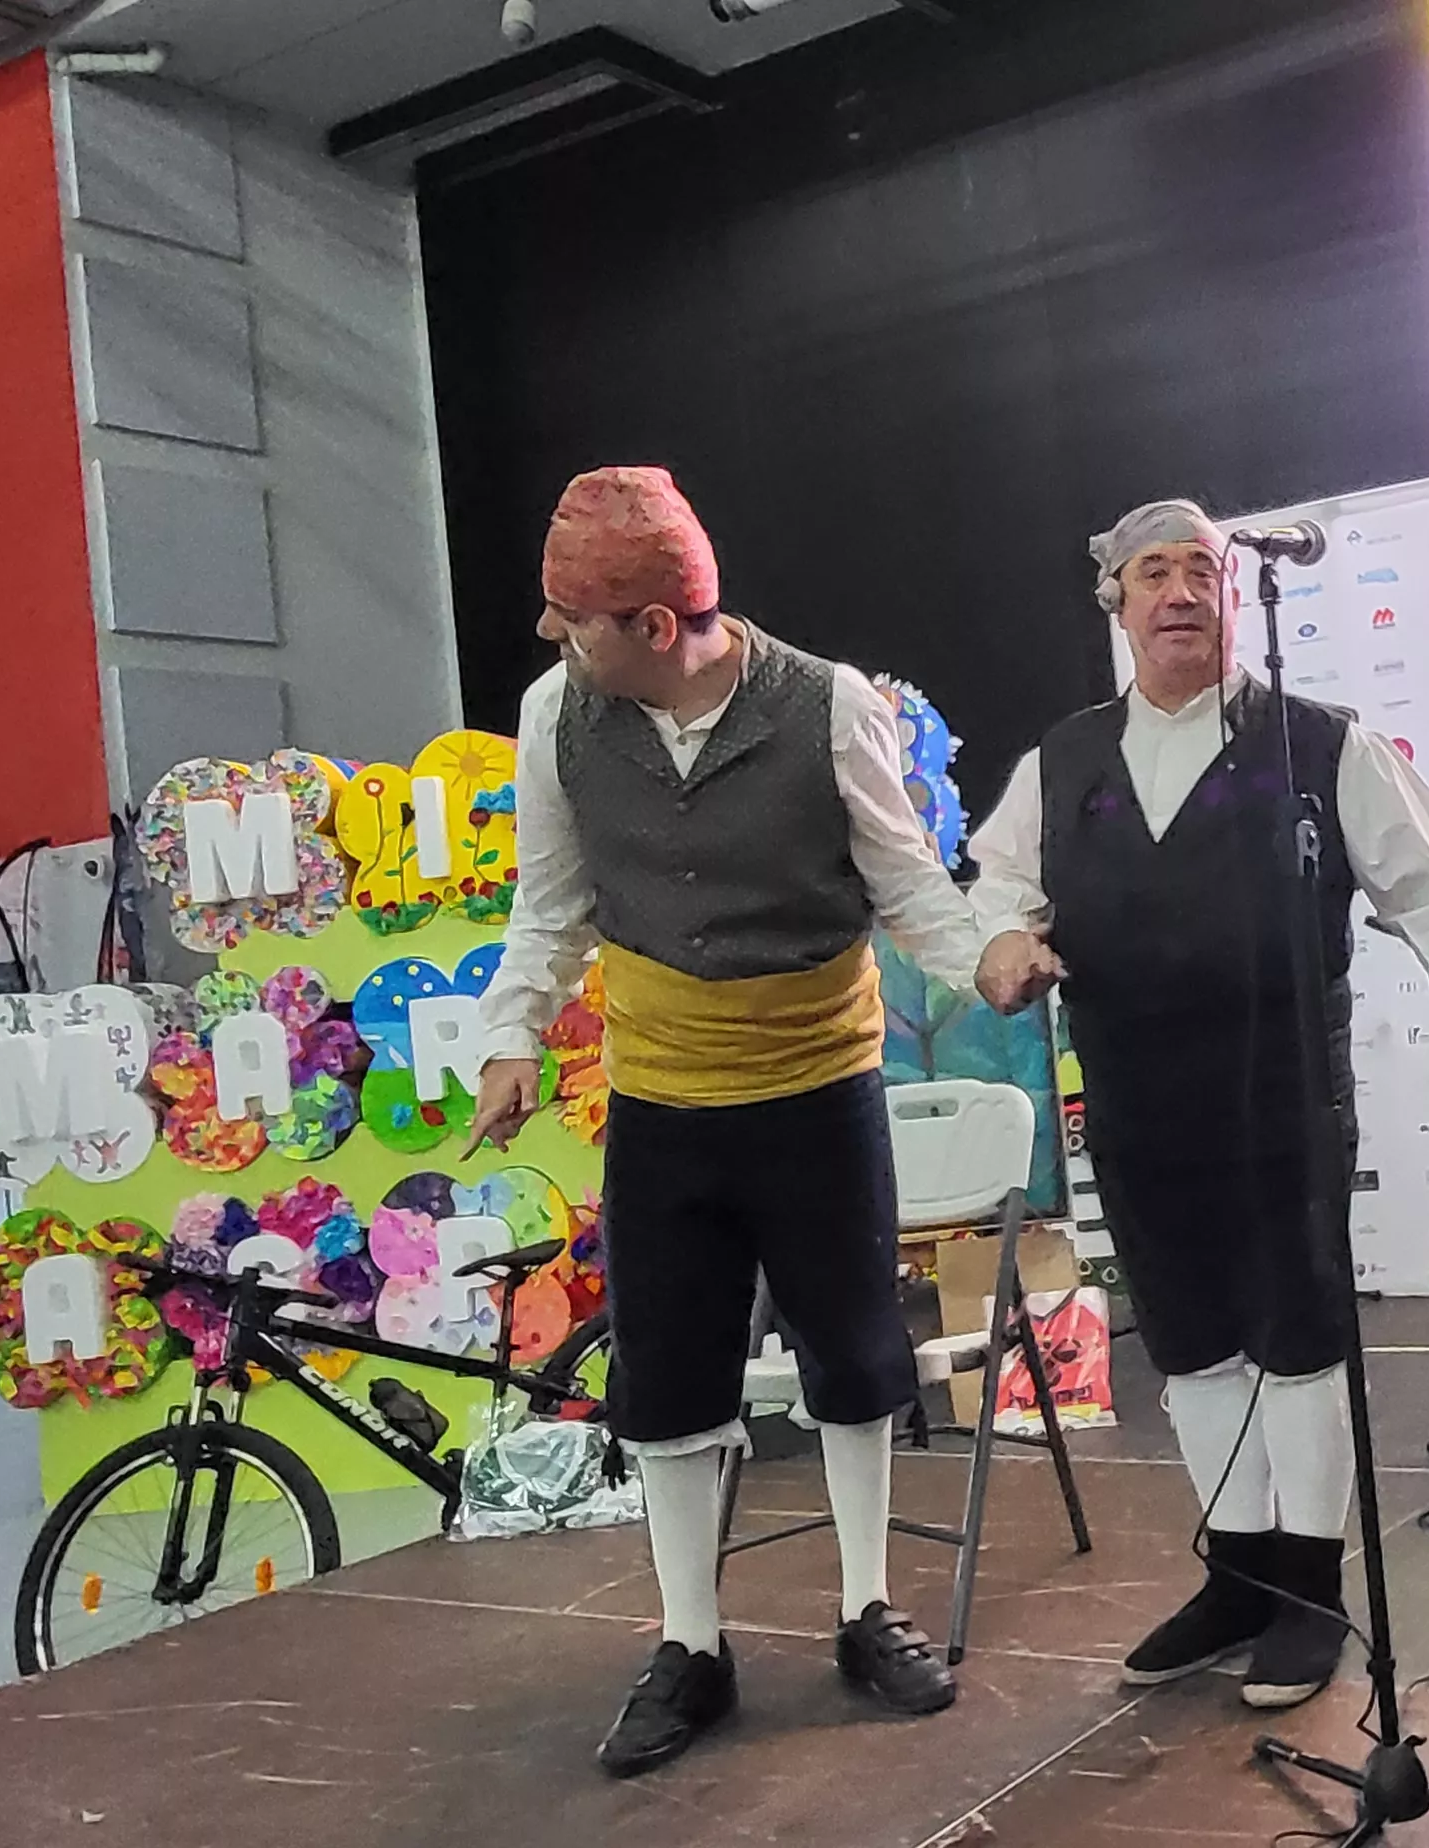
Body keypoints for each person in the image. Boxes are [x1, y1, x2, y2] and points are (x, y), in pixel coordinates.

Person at [966, 499, 1429, 1712]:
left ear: (1236, 595)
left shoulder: (1320, 744)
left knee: (1294, 1335)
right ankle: (1236, 1571)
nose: (1179, 592)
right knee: (1190, 1339)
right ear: (1115, 604)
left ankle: (1308, 1588)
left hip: (1279, 1091)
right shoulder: (1061, 760)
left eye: (1201, 571)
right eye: (1152, 574)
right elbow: (999, 883)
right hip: (1134, 1093)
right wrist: (1007, 938)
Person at [465, 467, 989, 1777]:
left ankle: (869, 1608)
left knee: (857, 1354)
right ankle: (690, 1643)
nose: (554, 642)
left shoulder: (829, 706)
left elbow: (907, 884)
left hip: (816, 1087)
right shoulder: (557, 716)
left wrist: (991, 960)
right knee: (669, 1377)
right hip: (666, 1098)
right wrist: (510, 1041)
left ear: (654, 622)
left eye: (573, 617)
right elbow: (553, 905)